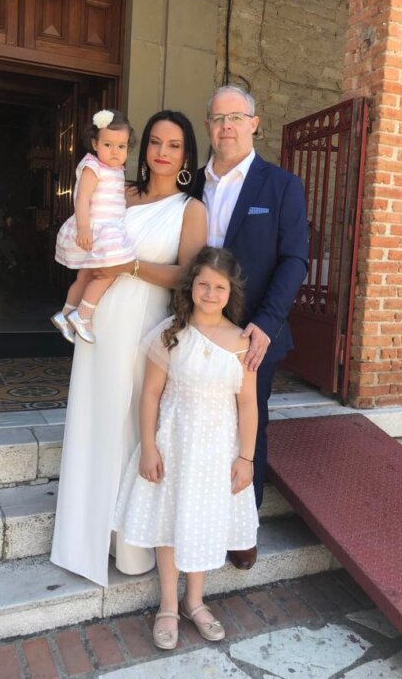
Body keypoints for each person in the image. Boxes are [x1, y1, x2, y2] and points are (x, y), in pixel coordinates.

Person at [50, 110, 207, 587]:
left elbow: (186, 275)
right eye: (155, 142)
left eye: (174, 145)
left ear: (186, 155)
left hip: (145, 326)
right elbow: (89, 232)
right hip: (100, 323)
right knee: (95, 418)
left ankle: (129, 545)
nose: (162, 152)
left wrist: (129, 266)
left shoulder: (190, 209)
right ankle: (84, 534)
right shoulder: (121, 191)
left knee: (133, 425)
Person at [114, 246, 258, 650]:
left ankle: (194, 601)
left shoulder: (241, 341)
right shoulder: (171, 334)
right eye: (203, 284)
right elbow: (150, 394)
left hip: (217, 453)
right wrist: (148, 447)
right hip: (174, 447)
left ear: (231, 292)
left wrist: (246, 457)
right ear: (191, 286)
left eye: (220, 287)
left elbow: (248, 404)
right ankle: (167, 604)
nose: (210, 293)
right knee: (169, 519)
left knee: (203, 520)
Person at [194, 85, 309, 570]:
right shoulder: (191, 183)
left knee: (248, 428)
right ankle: (196, 517)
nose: (227, 127)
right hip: (195, 328)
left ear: (254, 124)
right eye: (218, 118)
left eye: (236, 117)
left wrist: (267, 322)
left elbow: (294, 259)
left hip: (252, 334)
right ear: (208, 125)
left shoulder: (281, 185)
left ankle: (242, 529)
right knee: (197, 424)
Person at [52, 109, 135, 344]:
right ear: (95, 144)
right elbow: (82, 198)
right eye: (108, 145)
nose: (115, 152)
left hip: (108, 229)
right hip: (96, 229)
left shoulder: (116, 169)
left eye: (121, 146)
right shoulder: (92, 166)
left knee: (86, 275)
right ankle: (83, 315)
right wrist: (83, 228)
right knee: (110, 271)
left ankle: (65, 315)